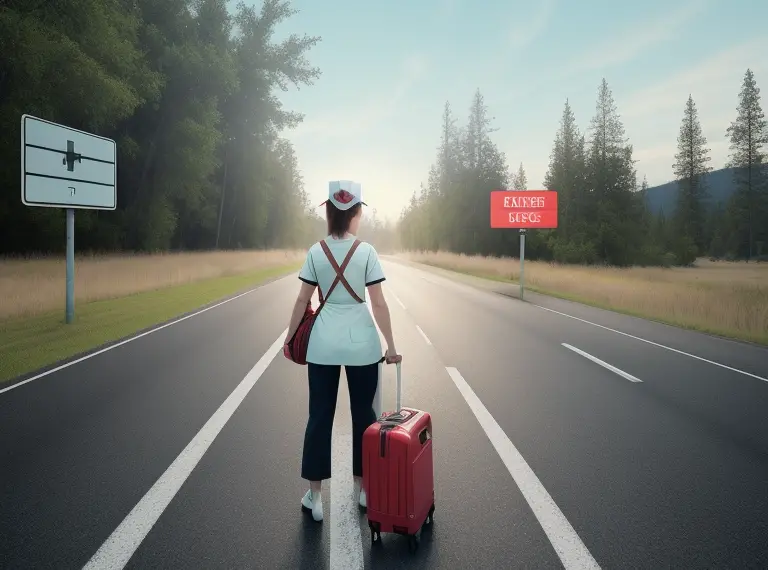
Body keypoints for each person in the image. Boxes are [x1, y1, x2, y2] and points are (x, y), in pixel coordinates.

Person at [283, 180, 402, 523]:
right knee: (364, 416)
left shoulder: (315, 251)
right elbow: (378, 302)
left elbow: (302, 299)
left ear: (330, 211)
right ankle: (363, 489)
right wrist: (391, 347)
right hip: (362, 346)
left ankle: (315, 497)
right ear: (356, 213)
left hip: (322, 346)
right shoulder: (366, 252)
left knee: (319, 416)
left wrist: (290, 339)